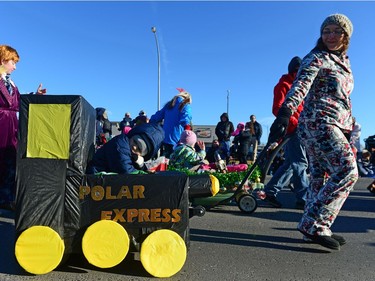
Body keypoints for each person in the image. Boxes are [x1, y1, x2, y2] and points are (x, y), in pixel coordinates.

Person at [268, 14, 357, 250]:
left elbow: (344, 99)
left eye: (336, 31)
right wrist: (286, 112)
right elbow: (301, 84)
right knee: (348, 170)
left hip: (335, 123)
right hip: (319, 122)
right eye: (326, 30)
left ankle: (315, 229)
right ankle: (314, 224)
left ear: (345, 36)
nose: (330, 35)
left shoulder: (344, 63)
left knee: (320, 178)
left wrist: (348, 127)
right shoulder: (316, 57)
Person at [0, 45, 46, 210]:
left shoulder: (11, 82)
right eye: (13, 62)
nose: (15, 66)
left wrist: (35, 95)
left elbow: (18, 102)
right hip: (1, 122)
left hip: (11, 124)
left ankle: (6, 198)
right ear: (3, 59)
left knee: (11, 160)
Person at [261, 56, 309, 209]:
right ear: (293, 71)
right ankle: (304, 198)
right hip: (293, 129)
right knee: (300, 162)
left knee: (290, 163)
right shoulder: (284, 85)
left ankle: (270, 192)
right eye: (298, 71)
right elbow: (278, 109)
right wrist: (296, 122)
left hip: (300, 128)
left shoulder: (300, 86)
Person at [87, 122, 164, 174]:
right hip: (95, 176)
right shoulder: (121, 145)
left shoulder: (131, 154)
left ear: (143, 154)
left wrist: (141, 165)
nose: (134, 147)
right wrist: (141, 168)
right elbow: (127, 172)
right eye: (135, 141)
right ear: (132, 136)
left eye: (139, 149)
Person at [149, 88, 192, 158]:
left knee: (166, 160)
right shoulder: (185, 105)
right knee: (176, 162)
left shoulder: (169, 105)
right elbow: (186, 118)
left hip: (165, 138)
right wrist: (188, 131)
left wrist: (150, 120)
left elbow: (158, 116)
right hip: (178, 139)